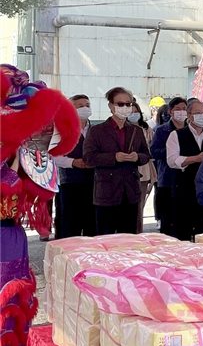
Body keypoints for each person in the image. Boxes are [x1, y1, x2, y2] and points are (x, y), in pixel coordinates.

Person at [0, 64, 80, 346]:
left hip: (9, 235)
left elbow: (39, 187)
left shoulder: (27, 152)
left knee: (8, 300)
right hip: (7, 235)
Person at [83, 87, 151, 235]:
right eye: (120, 104)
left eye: (128, 104)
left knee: (128, 238)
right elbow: (89, 157)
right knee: (105, 237)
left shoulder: (136, 130)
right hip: (106, 191)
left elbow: (146, 154)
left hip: (131, 191)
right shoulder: (97, 131)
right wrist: (113, 157)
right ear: (111, 106)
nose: (125, 108)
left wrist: (137, 157)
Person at [167, 100, 203, 241]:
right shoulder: (176, 135)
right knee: (182, 229)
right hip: (184, 186)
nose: (202, 116)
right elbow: (172, 160)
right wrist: (195, 158)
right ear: (189, 115)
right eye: (198, 113)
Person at [53, 94, 96, 239]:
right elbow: (53, 155)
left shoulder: (96, 130)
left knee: (92, 224)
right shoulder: (61, 130)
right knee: (70, 225)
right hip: (70, 183)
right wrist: (73, 162)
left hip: (94, 182)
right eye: (80, 106)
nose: (85, 108)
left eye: (87, 105)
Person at [150, 97, 188, 236]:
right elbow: (153, 151)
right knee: (168, 218)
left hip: (189, 180)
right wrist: (173, 152)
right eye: (178, 109)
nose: (181, 112)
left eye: (184, 109)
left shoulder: (193, 129)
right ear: (170, 111)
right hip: (167, 179)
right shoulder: (161, 131)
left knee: (185, 219)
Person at [130, 102, 157, 234]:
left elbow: (151, 148)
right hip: (126, 169)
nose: (133, 114)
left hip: (144, 168)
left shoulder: (146, 128)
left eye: (135, 111)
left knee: (140, 203)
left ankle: (138, 231)